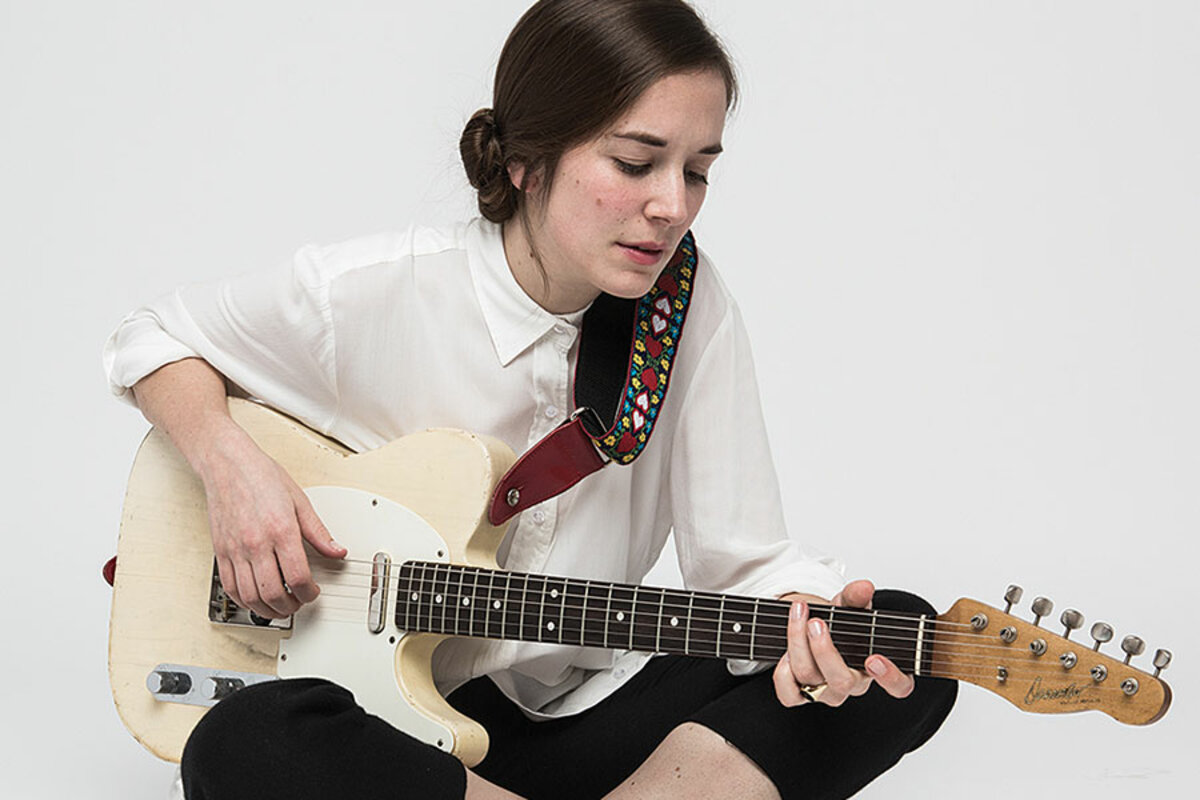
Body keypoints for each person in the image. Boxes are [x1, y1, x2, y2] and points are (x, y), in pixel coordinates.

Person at [104, 1, 956, 797]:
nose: (672, 207)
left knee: (902, 646)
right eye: (636, 163)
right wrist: (232, 471)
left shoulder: (686, 311)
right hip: (390, 727)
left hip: (574, 716)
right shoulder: (378, 290)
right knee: (246, 740)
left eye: (698, 171)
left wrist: (810, 629)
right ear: (526, 162)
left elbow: (745, 563)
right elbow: (152, 337)